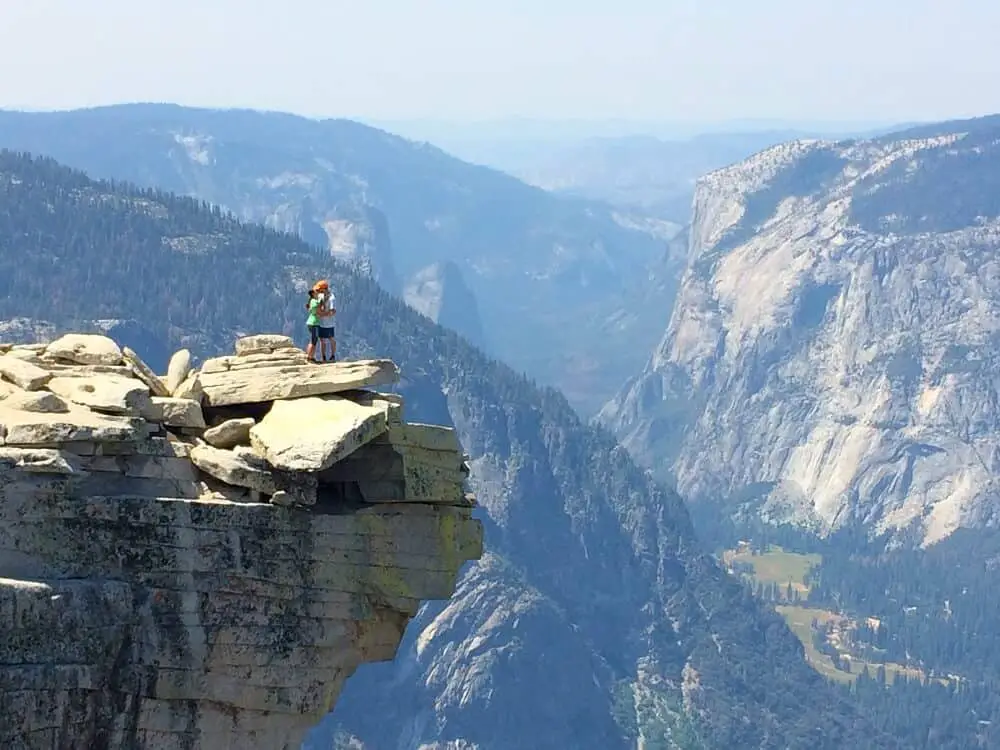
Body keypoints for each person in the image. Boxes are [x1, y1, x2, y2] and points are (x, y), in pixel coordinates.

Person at [314, 279, 337, 362]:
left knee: (331, 339)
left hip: (329, 323)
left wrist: (322, 314)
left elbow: (333, 311)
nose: (319, 291)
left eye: (320, 290)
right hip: (321, 322)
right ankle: (323, 357)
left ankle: (332, 356)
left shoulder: (331, 298)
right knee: (322, 340)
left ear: (324, 289)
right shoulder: (321, 296)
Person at [305, 288, 322, 363]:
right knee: (314, 341)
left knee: (313, 340)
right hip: (314, 323)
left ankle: (310, 356)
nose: (318, 293)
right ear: (313, 294)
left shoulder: (311, 301)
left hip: (311, 322)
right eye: (316, 292)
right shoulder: (315, 301)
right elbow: (318, 310)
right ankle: (310, 357)